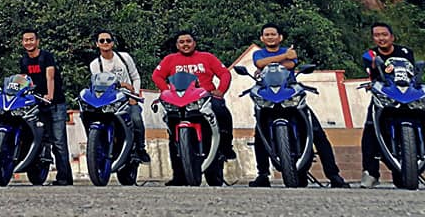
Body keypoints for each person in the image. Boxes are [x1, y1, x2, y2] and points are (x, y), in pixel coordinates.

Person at [247, 24, 349, 188]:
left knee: (317, 133)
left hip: (290, 93)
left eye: (273, 34)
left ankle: (333, 175)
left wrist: (278, 60)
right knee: (260, 134)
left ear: (280, 37)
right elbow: (259, 63)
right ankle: (263, 174)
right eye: (267, 34)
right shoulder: (259, 53)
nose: (270, 37)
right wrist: (283, 57)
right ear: (262, 38)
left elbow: (291, 65)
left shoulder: (289, 51)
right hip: (267, 96)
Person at [151, 30, 235, 186]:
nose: (185, 44)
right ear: (177, 45)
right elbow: (157, 76)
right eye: (181, 42)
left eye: (188, 41)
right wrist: (165, 90)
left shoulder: (207, 57)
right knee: (172, 136)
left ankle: (226, 146)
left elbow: (224, 73)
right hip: (178, 101)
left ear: (194, 43)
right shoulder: (170, 59)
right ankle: (179, 176)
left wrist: (220, 91)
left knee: (222, 112)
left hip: (205, 99)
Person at [360, 22, 415, 188]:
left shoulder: (405, 52)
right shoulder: (369, 54)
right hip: (383, 95)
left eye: (384, 35)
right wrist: (375, 64)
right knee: (370, 129)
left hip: (406, 94)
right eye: (377, 35)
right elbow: (371, 68)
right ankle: (371, 173)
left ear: (392, 37)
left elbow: (412, 73)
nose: (381, 38)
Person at [20, 28, 73, 186]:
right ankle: (36, 170)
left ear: (37, 41)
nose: (28, 42)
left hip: (54, 104)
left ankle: (64, 178)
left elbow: (50, 77)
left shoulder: (46, 57)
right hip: (36, 104)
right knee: (36, 137)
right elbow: (24, 81)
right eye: (26, 40)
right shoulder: (24, 60)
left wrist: (49, 95)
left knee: (58, 142)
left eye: (31, 39)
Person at [88, 30, 149, 163]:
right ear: (97, 44)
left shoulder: (124, 58)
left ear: (113, 43)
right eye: (102, 41)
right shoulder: (95, 64)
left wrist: (134, 95)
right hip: (108, 101)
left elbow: (135, 77)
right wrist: (121, 84)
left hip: (127, 99)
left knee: (136, 119)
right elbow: (98, 84)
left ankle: (140, 149)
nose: (105, 43)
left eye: (108, 40)